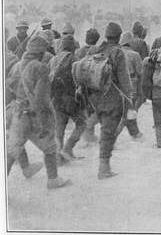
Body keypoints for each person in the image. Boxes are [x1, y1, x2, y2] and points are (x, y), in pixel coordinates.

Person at [7, 35, 69, 189]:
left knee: (12, 150)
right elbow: (40, 100)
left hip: (18, 112)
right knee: (50, 147)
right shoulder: (41, 68)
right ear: (42, 52)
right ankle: (53, 179)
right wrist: (43, 122)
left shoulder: (17, 65)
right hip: (34, 116)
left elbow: (9, 90)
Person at [86, 22, 132, 179]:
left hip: (95, 97)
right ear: (118, 37)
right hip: (112, 98)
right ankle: (103, 168)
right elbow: (124, 79)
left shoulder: (95, 50)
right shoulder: (117, 53)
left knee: (105, 129)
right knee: (108, 131)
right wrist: (129, 98)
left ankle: (103, 164)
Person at [49, 35, 87, 164]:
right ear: (72, 46)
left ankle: (59, 157)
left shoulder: (53, 59)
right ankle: (68, 148)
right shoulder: (74, 59)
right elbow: (79, 80)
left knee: (59, 128)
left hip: (56, 99)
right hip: (70, 98)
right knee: (82, 124)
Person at [75, 28, 101, 143]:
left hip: (81, 84)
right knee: (95, 110)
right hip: (94, 85)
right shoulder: (98, 50)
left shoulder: (78, 51)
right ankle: (89, 134)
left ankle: (88, 136)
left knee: (85, 110)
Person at [119, 32, 144, 140]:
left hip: (118, 86)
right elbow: (140, 72)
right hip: (131, 85)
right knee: (129, 110)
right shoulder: (135, 55)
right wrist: (141, 89)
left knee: (128, 110)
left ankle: (135, 132)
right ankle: (113, 137)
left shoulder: (117, 53)